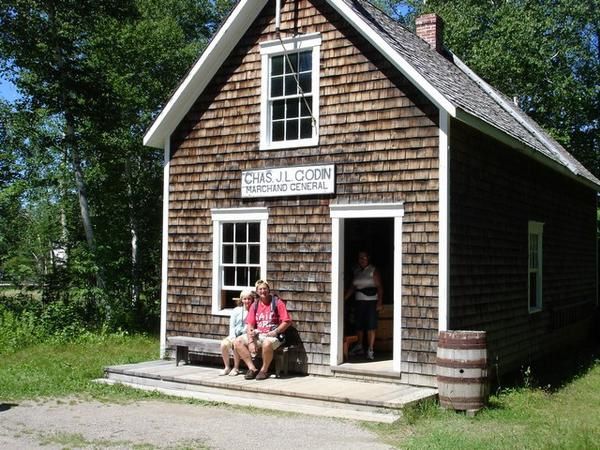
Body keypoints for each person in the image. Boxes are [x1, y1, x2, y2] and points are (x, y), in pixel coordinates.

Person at [234, 279, 292, 380]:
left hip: (274, 336)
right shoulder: (255, 305)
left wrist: (276, 331)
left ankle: (264, 371)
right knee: (238, 342)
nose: (262, 291)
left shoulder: (277, 303)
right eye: (260, 289)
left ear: (268, 290)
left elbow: (287, 321)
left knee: (266, 343)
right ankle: (252, 369)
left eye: (264, 288)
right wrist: (251, 341)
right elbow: (250, 325)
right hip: (259, 335)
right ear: (257, 291)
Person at [344, 250, 383, 360]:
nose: (361, 260)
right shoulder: (356, 270)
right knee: (359, 325)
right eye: (360, 258)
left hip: (371, 301)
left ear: (368, 258)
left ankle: (370, 349)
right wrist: (344, 298)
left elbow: (380, 287)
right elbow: (352, 287)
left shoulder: (373, 270)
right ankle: (360, 346)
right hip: (359, 301)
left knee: (371, 325)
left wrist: (379, 302)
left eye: (364, 258)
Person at [219, 289, 254, 376]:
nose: (247, 301)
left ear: (252, 299)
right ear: (241, 300)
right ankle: (227, 367)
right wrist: (233, 337)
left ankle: (236, 367)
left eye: (249, 299)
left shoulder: (253, 311)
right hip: (234, 335)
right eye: (245, 299)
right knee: (223, 344)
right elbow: (232, 326)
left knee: (236, 344)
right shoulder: (236, 310)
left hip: (244, 337)